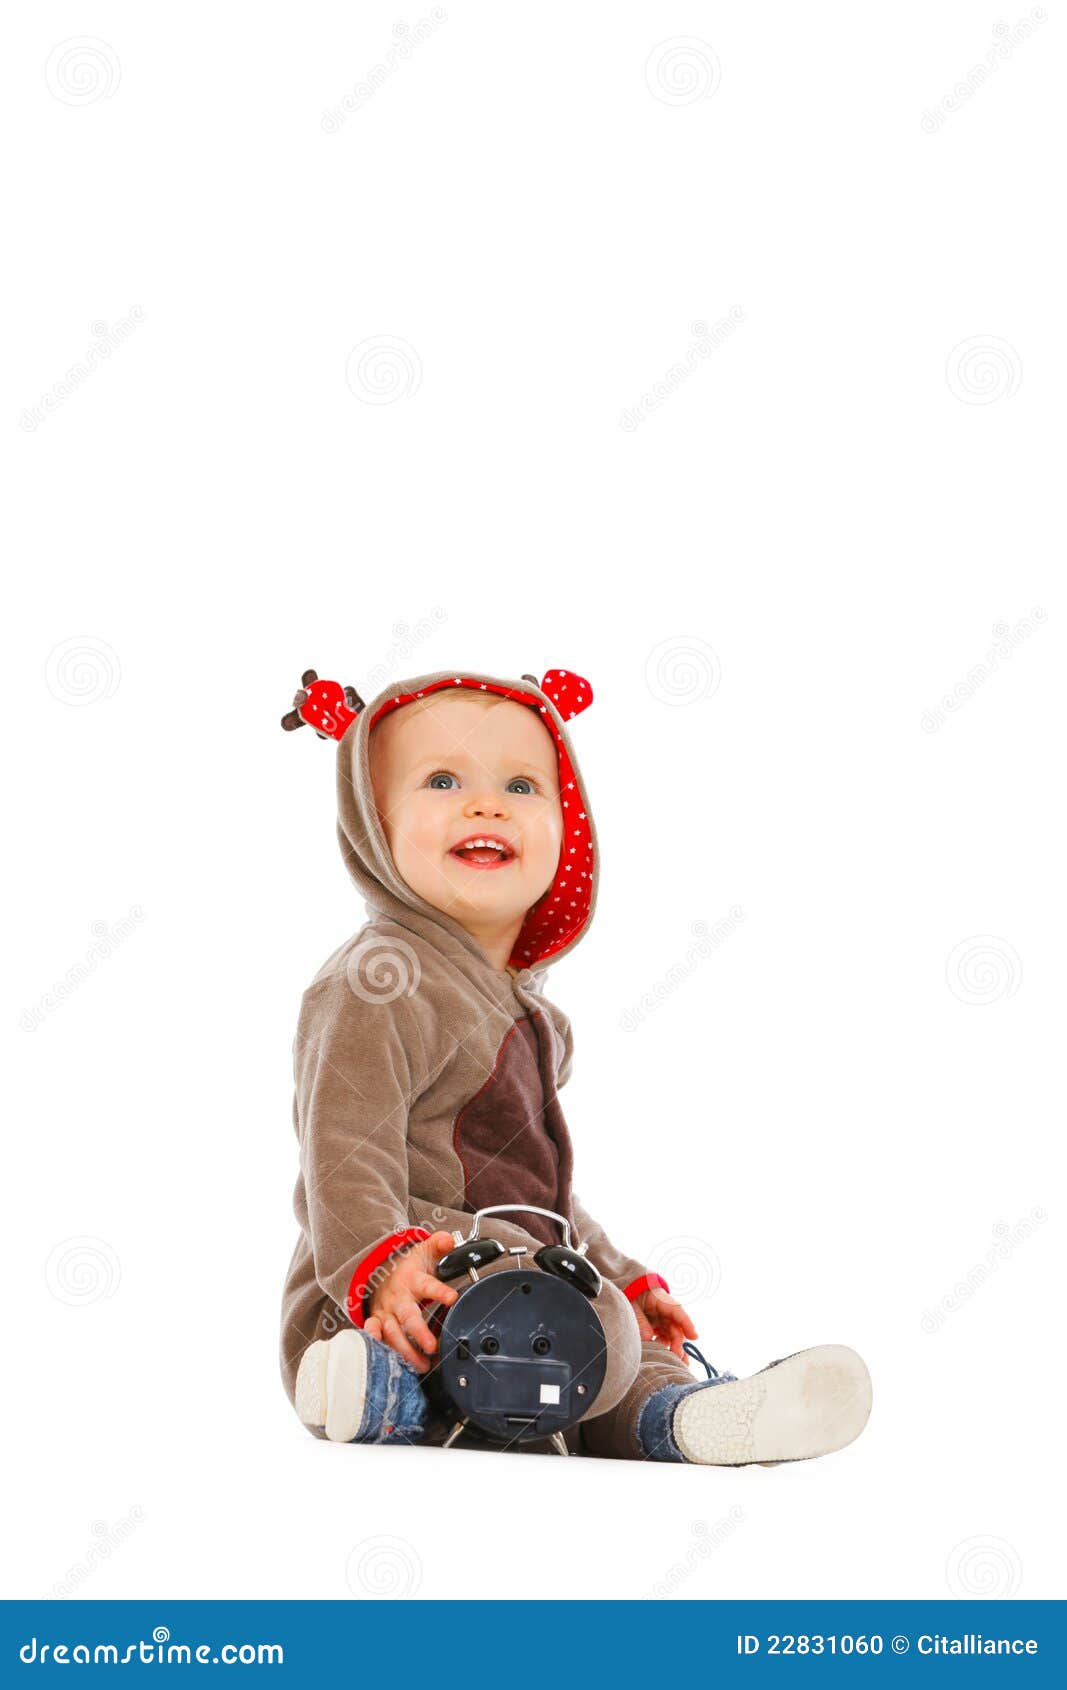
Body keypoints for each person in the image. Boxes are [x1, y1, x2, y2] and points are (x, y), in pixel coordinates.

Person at [279, 666, 872, 1462]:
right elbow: (341, 1147)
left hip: (514, 1286)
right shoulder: (380, 979)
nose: (485, 804)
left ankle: (684, 1419)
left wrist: (621, 1273)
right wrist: (376, 1265)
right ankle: (373, 1384)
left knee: (607, 1331)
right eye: (442, 779)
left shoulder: (525, 1010)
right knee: (561, 1304)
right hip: (392, 1292)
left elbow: (541, 1193)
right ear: (371, 826)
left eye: (521, 785)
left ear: (569, 830)